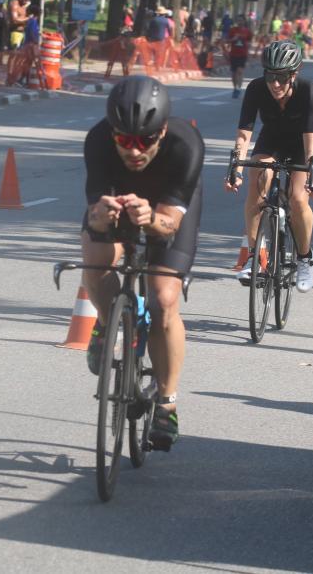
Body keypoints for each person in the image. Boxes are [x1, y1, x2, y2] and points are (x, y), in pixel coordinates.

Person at [82, 75, 203, 451]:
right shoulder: (98, 140)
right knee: (95, 261)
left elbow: (169, 225)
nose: (134, 150)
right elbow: (94, 217)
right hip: (118, 203)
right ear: (112, 133)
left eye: (145, 140)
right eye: (124, 140)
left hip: (166, 211)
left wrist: (150, 218)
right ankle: (106, 324)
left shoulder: (186, 145)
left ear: (162, 131)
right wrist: (100, 217)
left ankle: (166, 403)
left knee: (163, 299)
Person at [226, 40, 313, 292]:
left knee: (298, 199)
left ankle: (305, 258)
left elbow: (310, 141)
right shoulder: (256, 88)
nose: (275, 84)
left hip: (303, 143)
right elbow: (244, 134)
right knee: (257, 183)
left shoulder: (308, 90)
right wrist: (236, 169)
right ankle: (255, 256)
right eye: (270, 76)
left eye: (281, 77)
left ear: (294, 74)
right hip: (272, 139)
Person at [227, 15, 252, 98]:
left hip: (243, 54)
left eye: (241, 20)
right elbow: (228, 40)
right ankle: (235, 88)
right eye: (238, 20)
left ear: (244, 21)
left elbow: (249, 42)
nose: (239, 22)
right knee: (234, 73)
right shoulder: (232, 30)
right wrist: (233, 39)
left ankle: (238, 88)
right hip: (233, 54)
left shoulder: (247, 31)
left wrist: (249, 53)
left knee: (240, 71)